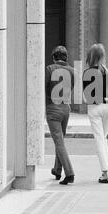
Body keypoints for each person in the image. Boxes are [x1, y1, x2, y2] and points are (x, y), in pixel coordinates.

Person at [83, 44, 108, 183]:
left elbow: (87, 96)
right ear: (102, 56)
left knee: (99, 139)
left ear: (91, 56)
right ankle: (106, 167)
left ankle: (105, 171)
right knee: (104, 137)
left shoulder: (88, 72)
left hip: (95, 108)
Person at [45, 46, 75, 185]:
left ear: (54, 58)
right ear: (66, 58)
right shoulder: (72, 71)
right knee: (60, 139)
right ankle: (57, 170)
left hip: (53, 108)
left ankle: (69, 173)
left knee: (59, 141)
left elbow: (43, 87)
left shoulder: (49, 69)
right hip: (65, 108)